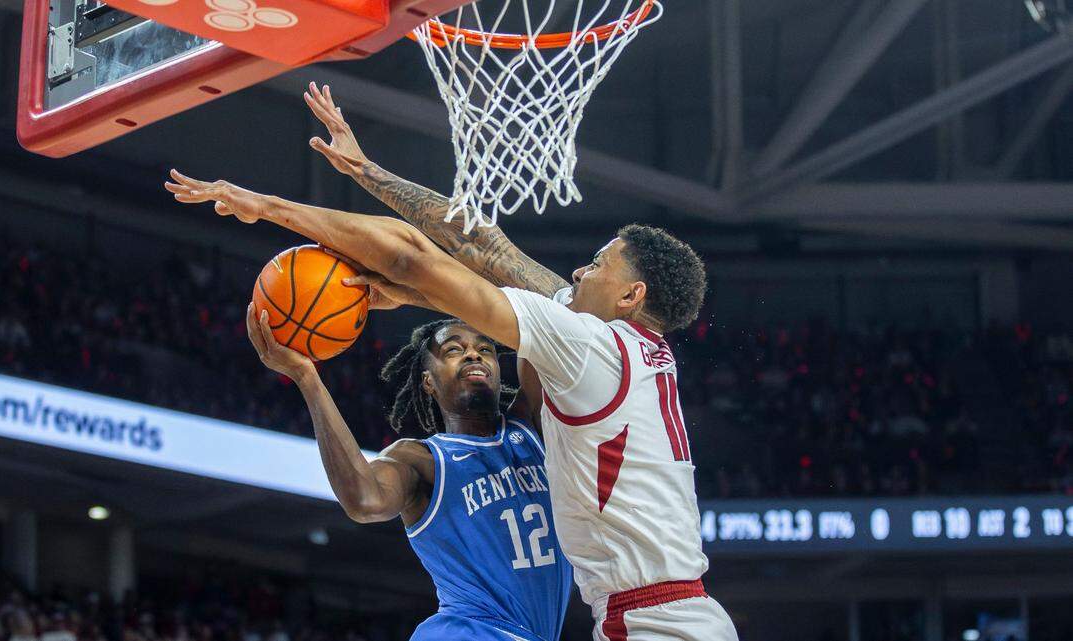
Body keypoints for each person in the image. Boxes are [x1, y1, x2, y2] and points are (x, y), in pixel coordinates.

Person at [164, 80, 737, 640]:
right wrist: (366, 172)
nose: (581, 272)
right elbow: (485, 247)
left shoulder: (592, 348)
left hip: (656, 624)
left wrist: (265, 205)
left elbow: (411, 256)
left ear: (631, 297)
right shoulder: (627, 351)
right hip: (670, 615)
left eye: (598, 264)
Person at [240, 299, 571, 641]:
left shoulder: (530, 425)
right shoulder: (423, 460)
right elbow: (364, 500)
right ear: (428, 382)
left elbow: (547, 320)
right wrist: (307, 378)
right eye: (454, 350)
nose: (474, 354)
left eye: (485, 349)